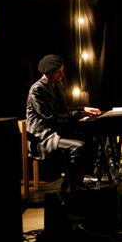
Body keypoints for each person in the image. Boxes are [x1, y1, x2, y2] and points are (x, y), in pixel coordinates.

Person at [26, 54, 101, 194]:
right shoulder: (37, 90)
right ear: (49, 73)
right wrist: (80, 114)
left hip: (57, 132)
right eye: (58, 72)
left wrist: (83, 109)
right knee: (78, 146)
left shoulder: (58, 86)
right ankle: (72, 187)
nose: (62, 74)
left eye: (62, 71)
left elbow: (65, 110)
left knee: (92, 138)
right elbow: (52, 118)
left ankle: (82, 178)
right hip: (44, 138)